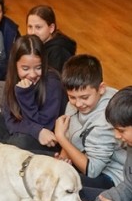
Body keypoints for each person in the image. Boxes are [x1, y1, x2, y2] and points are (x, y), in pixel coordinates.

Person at [0, 34, 66, 155]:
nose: (32, 74)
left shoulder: (52, 83)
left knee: (21, 142)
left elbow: (44, 125)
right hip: (29, 130)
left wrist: (26, 96)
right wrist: (36, 131)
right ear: (15, 65)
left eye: (38, 68)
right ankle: (9, 147)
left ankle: (8, 148)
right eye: (25, 69)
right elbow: (9, 120)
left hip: (45, 139)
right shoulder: (13, 80)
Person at [53, 54, 126, 189]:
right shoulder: (79, 103)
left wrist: (60, 137)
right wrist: (62, 159)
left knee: (59, 185)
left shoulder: (106, 120)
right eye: (72, 97)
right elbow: (70, 136)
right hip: (83, 157)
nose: (78, 104)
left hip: (111, 176)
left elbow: (92, 170)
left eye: (84, 97)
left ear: (101, 88)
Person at [26, 5, 76, 72]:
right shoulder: (35, 44)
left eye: (38, 27)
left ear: (51, 28)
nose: (33, 32)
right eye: (30, 27)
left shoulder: (58, 52)